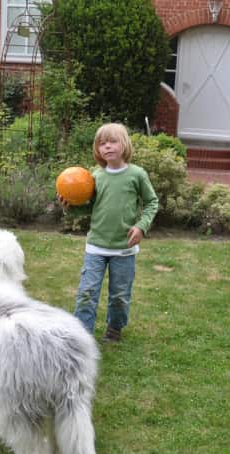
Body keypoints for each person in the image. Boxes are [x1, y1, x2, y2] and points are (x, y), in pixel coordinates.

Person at [59, 123, 159, 343]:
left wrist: (141, 226)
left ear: (125, 145)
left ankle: (115, 327)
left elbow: (152, 202)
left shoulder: (136, 175)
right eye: (102, 143)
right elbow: (88, 207)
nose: (107, 147)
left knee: (119, 295)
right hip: (96, 246)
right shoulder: (95, 177)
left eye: (113, 141)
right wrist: (70, 206)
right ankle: (82, 334)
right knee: (87, 291)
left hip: (124, 249)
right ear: (97, 149)